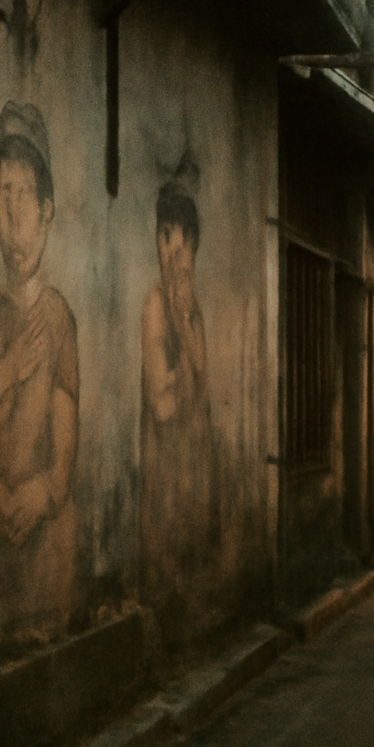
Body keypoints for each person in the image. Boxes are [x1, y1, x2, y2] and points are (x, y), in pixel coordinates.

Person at [0, 102, 78, 636]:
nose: (12, 210)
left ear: (48, 207)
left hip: (44, 551)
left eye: (25, 193)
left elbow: (64, 444)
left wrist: (45, 491)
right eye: (3, 192)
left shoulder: (57, 318)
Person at [140, 182, 216, 639]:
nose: (171, 252)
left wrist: (187, 346)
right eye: (163, 236)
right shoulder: (156, 304)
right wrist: (186, 364)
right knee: (166, 576)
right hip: (166, 467)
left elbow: (201, 386)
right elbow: (164, 404)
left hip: (194, 465)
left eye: (180, 240)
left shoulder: (191, 310)